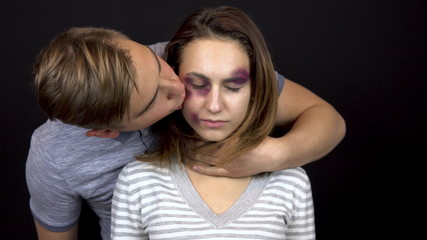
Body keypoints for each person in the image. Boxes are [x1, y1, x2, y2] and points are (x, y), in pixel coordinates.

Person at [26, 9, 344, 240]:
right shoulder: (53, 158)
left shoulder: (189, 58)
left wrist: (273, 155)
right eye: (155, 101)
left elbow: (327, 119)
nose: (178, 88)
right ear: (109, 131)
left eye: (159, 65)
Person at [111, 6, 315, 239]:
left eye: (233, 87)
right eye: (198, 85)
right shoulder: (138, 180)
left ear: (255, 90)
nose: (214, 105)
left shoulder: (291, 182)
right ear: (175, 81)